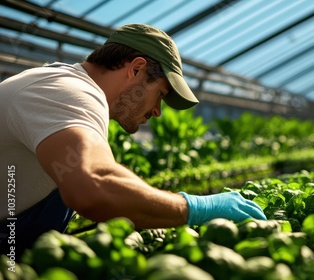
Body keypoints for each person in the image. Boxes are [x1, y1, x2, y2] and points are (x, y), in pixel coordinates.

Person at [0, 23, 266, 255]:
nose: (157, 112)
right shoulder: (70, 94)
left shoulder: (66, 87)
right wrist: (195, 207)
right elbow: (93, 186)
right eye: (160, 95)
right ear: (137, 69)